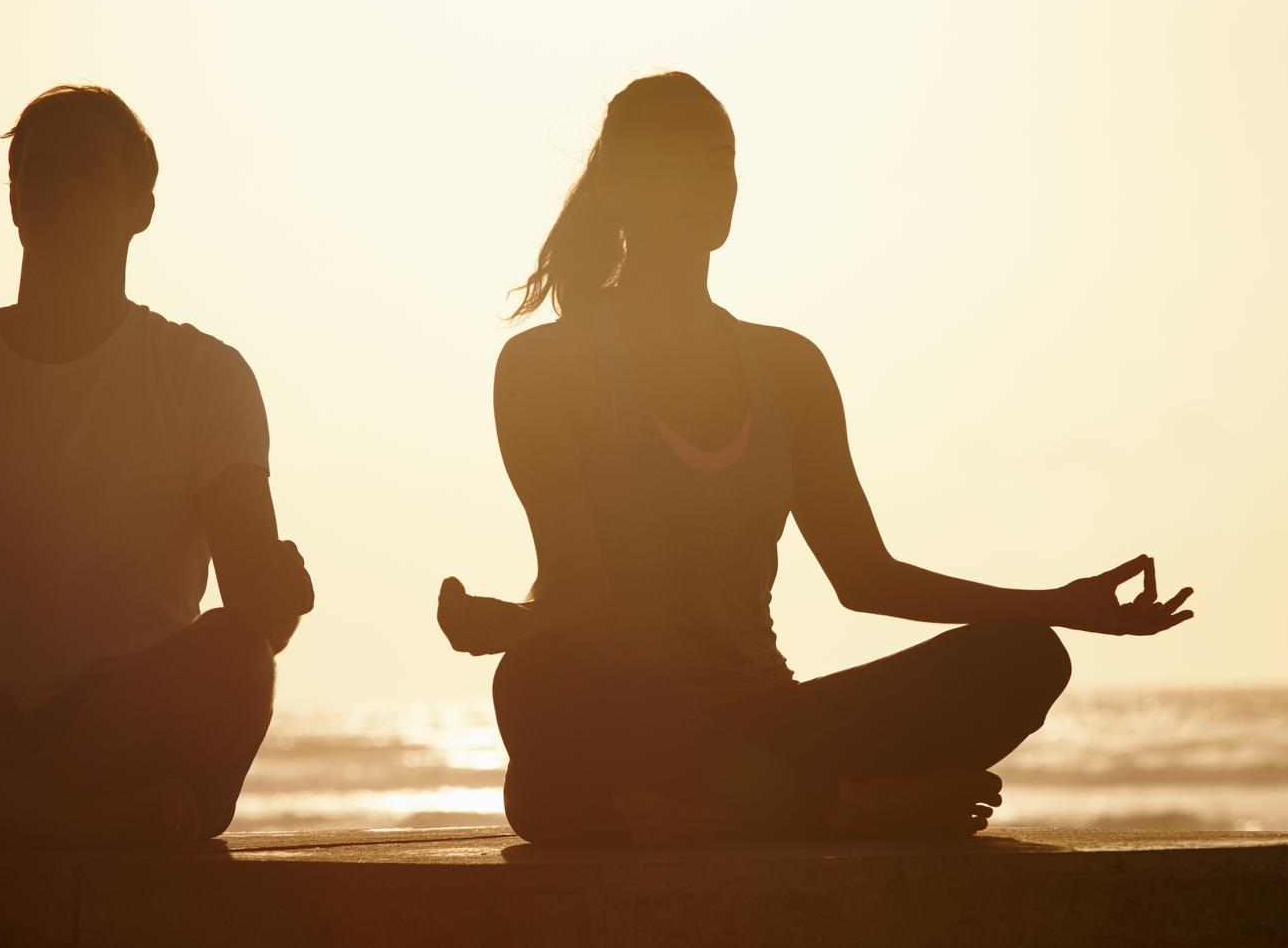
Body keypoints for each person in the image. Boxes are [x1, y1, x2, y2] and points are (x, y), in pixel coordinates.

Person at [438, 72, 1195, 845]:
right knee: (536, 682)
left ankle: (710, 812)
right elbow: (580, 589)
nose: (707, 186)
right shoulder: (545, 367)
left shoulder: (787, 367)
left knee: (1023, 654)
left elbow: (865, 576)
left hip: (768, 724)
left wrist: (1061, 605)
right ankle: (841, 809)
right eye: (677, 165)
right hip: (630, 719)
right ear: (621, 190)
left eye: (718, 163)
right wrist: (512, 624)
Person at [0, 85, 313, 847]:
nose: (62, 189)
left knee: (234, 659)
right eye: (44, 171)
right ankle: (67, 821)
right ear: (14, 200)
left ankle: (9, 816)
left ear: (142, 206)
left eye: (90, 172)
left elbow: (251, 612)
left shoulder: (203, 375)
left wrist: (279, 596)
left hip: (141, 713)